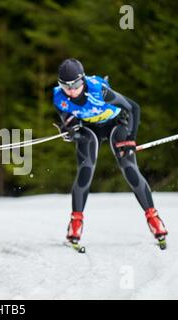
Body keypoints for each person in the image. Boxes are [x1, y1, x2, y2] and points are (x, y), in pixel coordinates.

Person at [52, 58, 168, 250]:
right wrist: (70, 130)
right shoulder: (59, 97)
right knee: (85, 169)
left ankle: (154, 219)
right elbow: (67, 118)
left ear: (83, 80)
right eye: (66, 86)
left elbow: (133, 108)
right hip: (90, 129)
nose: (71, 90)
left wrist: (131, 138)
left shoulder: (98, 90)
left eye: (76, 85)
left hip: (115, 123)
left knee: (128, 167)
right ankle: (76, 224)